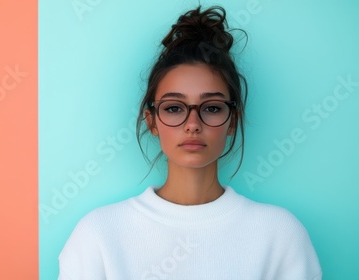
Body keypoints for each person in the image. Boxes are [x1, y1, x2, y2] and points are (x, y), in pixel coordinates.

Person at [58, 5, 321, 280]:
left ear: (233, 120)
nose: (193, 124)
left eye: (211, 108)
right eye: (174, 108)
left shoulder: (280, 234)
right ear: (151, 121)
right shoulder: (98, 234)